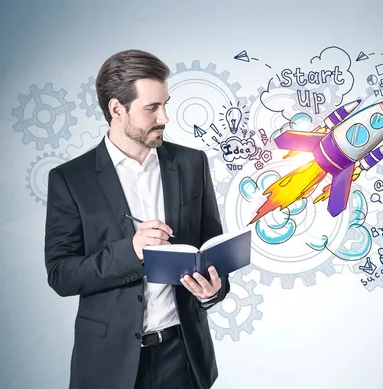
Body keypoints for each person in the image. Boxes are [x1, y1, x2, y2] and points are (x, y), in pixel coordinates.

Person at [44, 49, 230, 389]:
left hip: (185, 358)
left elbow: (211, 252)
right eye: (152, 108)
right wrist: (132, 250)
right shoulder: (71, 179)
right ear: (117, 109)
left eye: (165, 104)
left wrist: (212, 291)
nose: (165, 118)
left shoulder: (192, 165)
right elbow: (61, 275)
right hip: (107, 365)